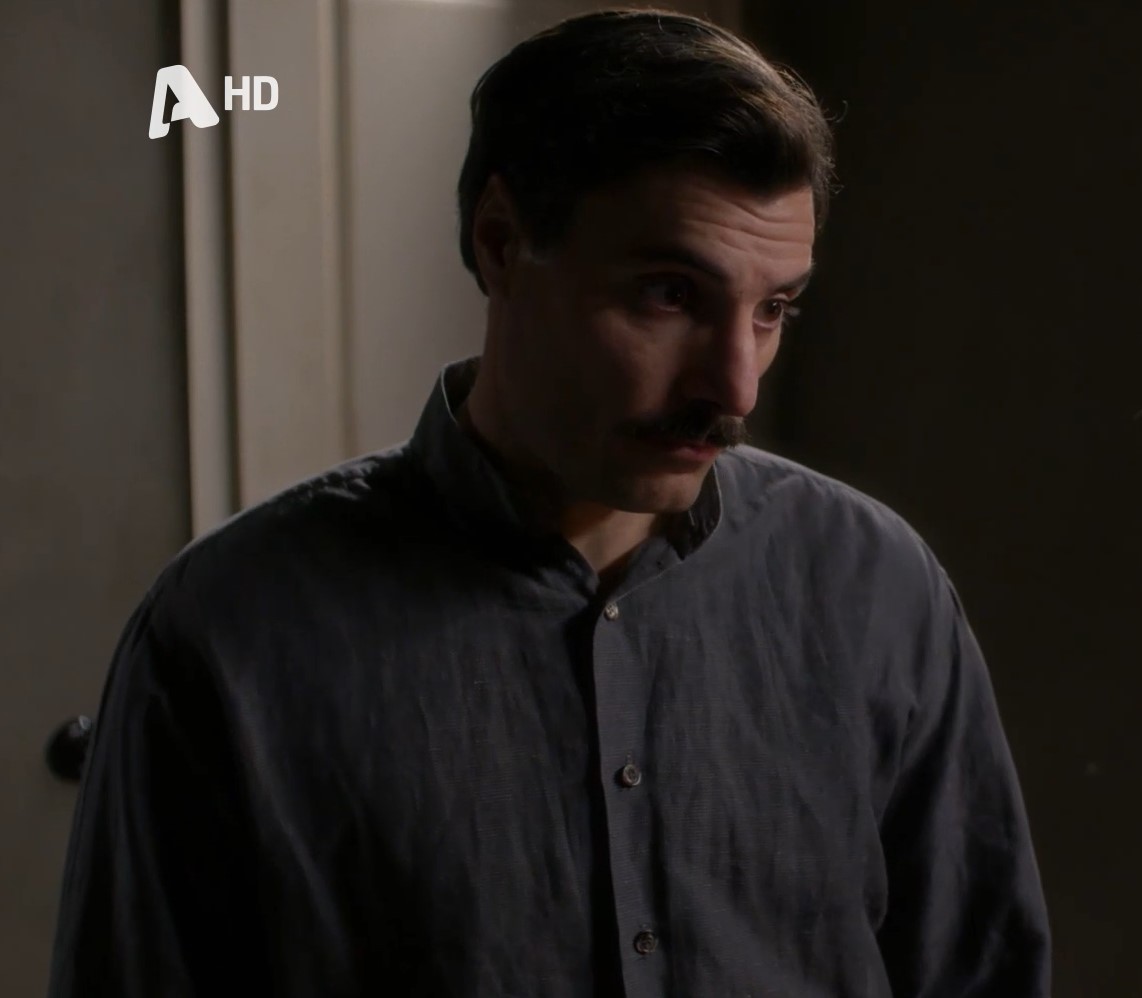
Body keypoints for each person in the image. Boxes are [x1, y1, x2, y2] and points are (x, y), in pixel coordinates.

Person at [48, 8, 1050, 997]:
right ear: (499, 242)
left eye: (772, 308)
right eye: (669, 294)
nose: (735, 387)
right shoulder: (229, 631)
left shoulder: (875, 586)